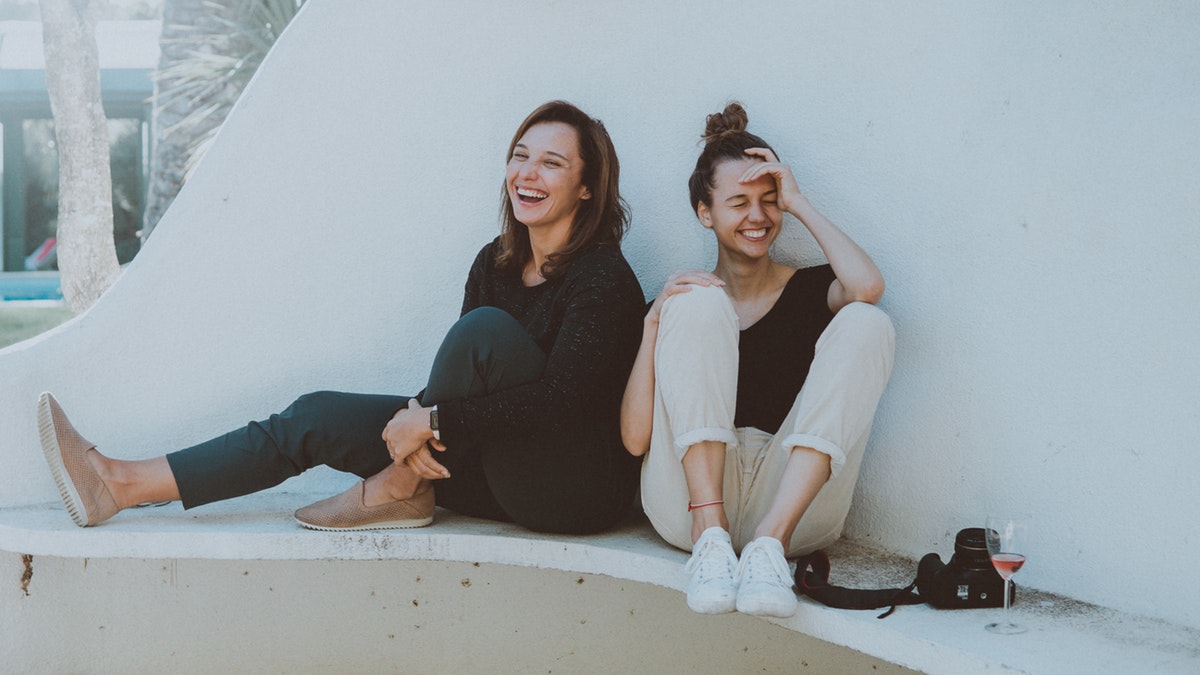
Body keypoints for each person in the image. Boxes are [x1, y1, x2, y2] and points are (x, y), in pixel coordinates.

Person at [40, 100, 646, 536]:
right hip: (493, 467)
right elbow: (465, 386)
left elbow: (562, 402)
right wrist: (419, 421)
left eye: (552, 163)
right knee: (315, 415)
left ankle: (401, 487)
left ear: (587, 188)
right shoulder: (496, 261)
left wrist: (429, 418)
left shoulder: (602, 277)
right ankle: (118, 484)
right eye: (520, 156)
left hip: (571, 492)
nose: (527, 174)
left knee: (481, 332)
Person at [621, 102, 895, 617]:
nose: (757, 216)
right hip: (688, 504)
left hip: (791, 505)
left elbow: (868, 286)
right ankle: (711, 535)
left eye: (769, 202)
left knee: (867, 320)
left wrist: (800, 203)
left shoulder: (811, 289)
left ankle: (768, 544)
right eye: (739, 201)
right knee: (697, 300)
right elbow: (635, 439)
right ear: (706, 213)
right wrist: (653, 322)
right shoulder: (681, 305)